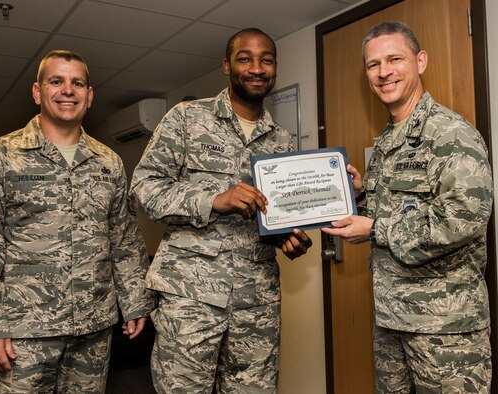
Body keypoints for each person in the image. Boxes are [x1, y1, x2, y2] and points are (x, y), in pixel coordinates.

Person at [0, 50, 154, 393]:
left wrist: (135, 300)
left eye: (77, 83)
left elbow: (124, 238)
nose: (67, 90)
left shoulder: (109, 163)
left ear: (89, 96)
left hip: (93, 328)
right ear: (37, 92)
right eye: (56, 81)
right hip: (21, 333)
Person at [130, 28, 312, 393]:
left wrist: (288, 238)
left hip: (256, 302)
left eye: (267, 60)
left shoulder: (282, 140)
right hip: (191, 297)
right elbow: (143, 189)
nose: (257, 68)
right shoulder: (186, 119)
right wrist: (213, 200)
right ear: (227, 66)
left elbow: (275, 215)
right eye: (245, 58)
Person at [322, 21, 493, 392]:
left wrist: (374, 229)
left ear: (420, 61)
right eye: (372, 64)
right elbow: (403, 207)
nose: (383, 72)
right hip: (391, 320)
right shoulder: (387, 139)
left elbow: (463, 219)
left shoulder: (450, 133)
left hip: (445, 331)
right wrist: (363, 193)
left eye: (394, 59)